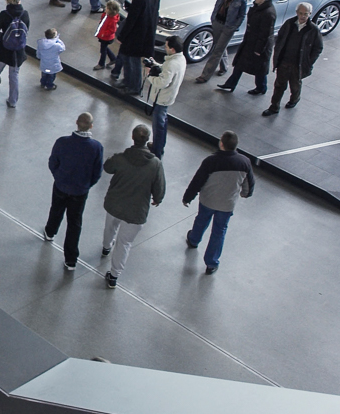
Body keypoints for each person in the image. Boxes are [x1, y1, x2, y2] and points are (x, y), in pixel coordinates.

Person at [100, 125, 166, 288]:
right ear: (148, 140)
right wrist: (157, 198)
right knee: (124, 243)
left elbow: (107, 167)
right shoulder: (155, 164)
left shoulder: (121, 158)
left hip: (115, 203)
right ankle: (114, 276)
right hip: (136, 211)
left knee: (110, 227)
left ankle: (106, 247)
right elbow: (159, 187)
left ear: (132, 137)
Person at [182, 130, 254, 274]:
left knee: (201, 220)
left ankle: (194, 240)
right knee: (219, 231)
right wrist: (245, 194)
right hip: (227, 204)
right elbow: (249, 183)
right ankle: (211, 263)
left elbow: (198, 181)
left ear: (221, 143)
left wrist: (188, 197)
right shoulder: (244, 162)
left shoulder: (211, 161)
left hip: (208, 200)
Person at [43, 113, 104, 271]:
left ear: (76, 123)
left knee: (56, 209)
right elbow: (97, 173)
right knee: (74, 223)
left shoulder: (62, 142)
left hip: (61, 186)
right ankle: (70, 259)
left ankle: (50, 232)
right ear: (91, 126)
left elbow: (52, 163)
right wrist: (86, 185)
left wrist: (59, 177)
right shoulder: (96, 148)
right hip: (80, 191)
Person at [264, 2, 322, 116]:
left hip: (298, 64)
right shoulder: (289, 23)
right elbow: (280, 37)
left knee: (295, 86)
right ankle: (274, 107)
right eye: (301, 13)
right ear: (297, 13)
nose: (303, 16)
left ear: (310, 14)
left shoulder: (313, 29)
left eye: (306, 14)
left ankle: (294, 99)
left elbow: (318, 47)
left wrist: (309, 62)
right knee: (279, 85)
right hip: (284, 62)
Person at [219, 0, 275, 94]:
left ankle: (261, 87)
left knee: (259, 69)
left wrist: (258, 49)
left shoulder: (268, 13)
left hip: (259, 46)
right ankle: (230, 84)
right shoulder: (259, 7)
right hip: (250, 42)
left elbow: (265, 34)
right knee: (240, 64)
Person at [112, 0, 160, 95]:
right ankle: (127, 81)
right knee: (129, 59)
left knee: (132, 62)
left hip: (135, 36)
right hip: (146, 34)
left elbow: (131, 20)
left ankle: (134, 87)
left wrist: (122, 36)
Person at [193, 0, 246, 82]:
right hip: (217, 22)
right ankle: (224, 67)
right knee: (220, 47)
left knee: (217, 51)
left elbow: (242, 15)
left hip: (228, 27)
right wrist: (213, 19)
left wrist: (234, 26)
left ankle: (205, 75)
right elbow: (217, 5)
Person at [142, 35, 186, 159]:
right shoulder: (179, 59)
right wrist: (155, 64)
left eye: (166, 46)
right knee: (163, 122)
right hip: (168, 97)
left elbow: (162, 82)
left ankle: (157, 151)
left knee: (158, 126)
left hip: (162, 98)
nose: (165, 47)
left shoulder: (172, 64)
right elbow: (166, 70)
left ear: (172, 49)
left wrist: (148, 76)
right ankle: (158, 145)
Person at [95, 0, 122, 70]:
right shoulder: (106, 15)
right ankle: (113, 58)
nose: (105, 9)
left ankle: (101, 64)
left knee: (103, 51)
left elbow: (112, 30)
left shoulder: (112, 20)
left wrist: (104, 34)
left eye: (107, 8)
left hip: (106, 38)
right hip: (103, 36)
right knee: (105, 48)